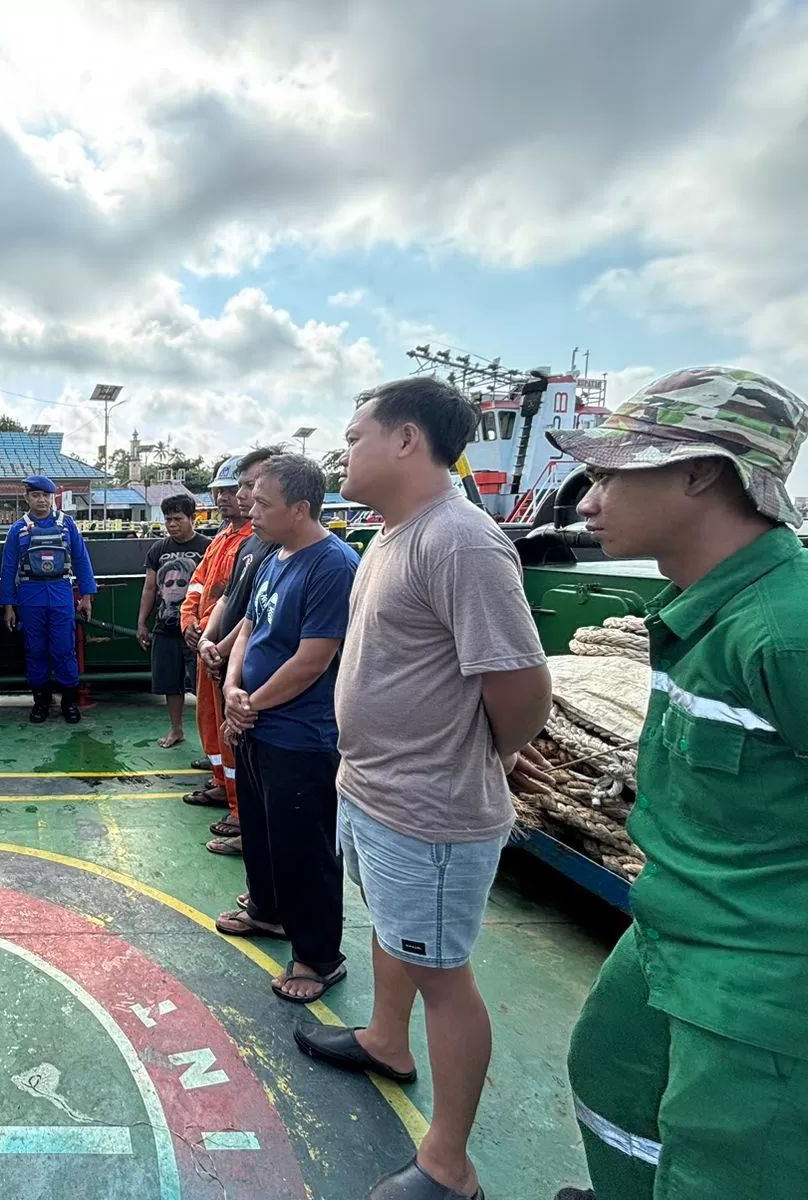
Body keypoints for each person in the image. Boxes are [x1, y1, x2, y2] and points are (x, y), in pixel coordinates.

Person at [525, 367, 808, 1200]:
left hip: (760, 977)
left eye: (614, 474)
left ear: (700, 474)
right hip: (670, 925)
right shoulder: (699, 609)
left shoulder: (784, 635)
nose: (587, 501)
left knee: (727, 1167)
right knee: (613, 1082)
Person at [294, 376, 552, 1200]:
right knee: (393, 931)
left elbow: (520, 685)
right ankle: (383, 1039)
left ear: (407, 440)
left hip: (431, 808)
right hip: (373, 791)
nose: (346, 450)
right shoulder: (391, 535)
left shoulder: (460, 541)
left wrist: (479, 758)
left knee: (444, 973)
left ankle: (450, 1165)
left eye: (356, 435)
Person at [218, 455, 357, 1007]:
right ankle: (270, 912)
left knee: (306, 848)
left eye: (262, 503)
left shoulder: (332, 565)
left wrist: (247, 703)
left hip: (300, 734)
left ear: (300, 509)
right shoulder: (277, 557)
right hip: (256, 723)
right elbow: (251, 623)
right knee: (261, 830)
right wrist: (233, 688)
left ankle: (320, 957)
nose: (250, 508)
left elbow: (315, 657)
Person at [178, 456, 258, 850]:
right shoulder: (222, 539)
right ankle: (220, 784)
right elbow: (198, 585)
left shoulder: (253, 543)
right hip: (207, 645)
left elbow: (245, 604)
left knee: (232, 732)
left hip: (229, 652)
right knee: (209, 721)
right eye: (221, 491)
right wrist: (189, 623)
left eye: (233, 490)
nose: (227, 498)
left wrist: (218, 643)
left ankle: (241, 807)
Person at [0, 474, 97, 722]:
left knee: (64, 649)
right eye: (36, 495)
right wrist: (8, 605)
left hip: (61, 592)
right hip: (30, 596)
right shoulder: (17, 529)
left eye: (45, 495)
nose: (41, 500)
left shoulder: (68, 525)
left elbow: (81, 559)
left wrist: (86, 595)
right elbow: (8, 568)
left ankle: (68, 702)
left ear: (52, 497)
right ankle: (40, 702)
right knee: (35, 650)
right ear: (27, 498)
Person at [137, 493, 211, 748]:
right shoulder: (158, 549)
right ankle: (176, 729)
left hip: (198, 630)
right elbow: (149, 588)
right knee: (171, 683)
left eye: (178, 518)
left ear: (192, 518)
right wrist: (141, 622)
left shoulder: (207, 547)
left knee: (204, 686)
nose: (172, 524)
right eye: (168, 519)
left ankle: (209, 738)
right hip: (165, 626)